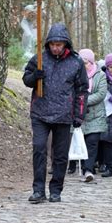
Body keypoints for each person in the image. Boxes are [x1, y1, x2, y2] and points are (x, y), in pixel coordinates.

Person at [23, 22, 89, 203]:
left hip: (64, 114)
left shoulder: (76, 62)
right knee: (39, 148)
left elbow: (82, 90)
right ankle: (38, 190)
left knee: (60, 155)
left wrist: (79, 114)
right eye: (52, 44)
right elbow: (26, 79)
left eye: (59, 44)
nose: (55, 48)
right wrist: (34, 77)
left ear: (66, 44)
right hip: (40, 112)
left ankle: (56, 189)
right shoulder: (39, 59)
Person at [78, 48, 107, 182]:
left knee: (92, 142)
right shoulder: (76, 74)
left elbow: (101, 94)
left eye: (84, 62)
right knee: (81, 142)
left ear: (90, 62)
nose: (82, 65)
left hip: (96, 115)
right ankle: (83, 166)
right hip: (79, 115)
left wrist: (84, 100)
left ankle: (88, 170)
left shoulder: (100, 75)